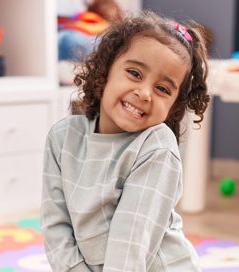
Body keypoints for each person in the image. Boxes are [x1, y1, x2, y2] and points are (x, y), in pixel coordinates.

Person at [41, 10, 210, 272]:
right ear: (105, 70)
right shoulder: (62, 138)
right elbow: (56, 227)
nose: (144, 94)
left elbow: (130, 245)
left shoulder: (156, 147)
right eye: (134, 73)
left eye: (163, 89)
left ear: (174, 107)